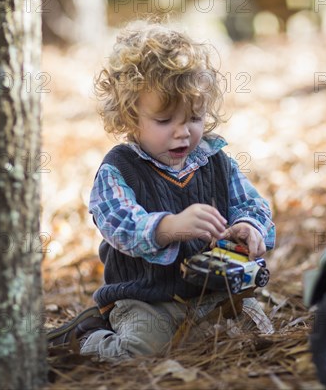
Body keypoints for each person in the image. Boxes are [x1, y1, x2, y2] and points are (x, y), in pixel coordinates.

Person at [47, 21, 275, 361]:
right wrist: (171, 227)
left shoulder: (215, 161)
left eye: (194, 118)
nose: (182, 133)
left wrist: (249, 226)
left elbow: (252, 204)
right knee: (141, 352)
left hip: (211, 292)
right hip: (148, 298)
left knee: (260, 334)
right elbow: (121, 225)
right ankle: (86, 338)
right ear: (130, 116)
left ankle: (197, 336)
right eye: (165, 121)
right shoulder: (119, 169)